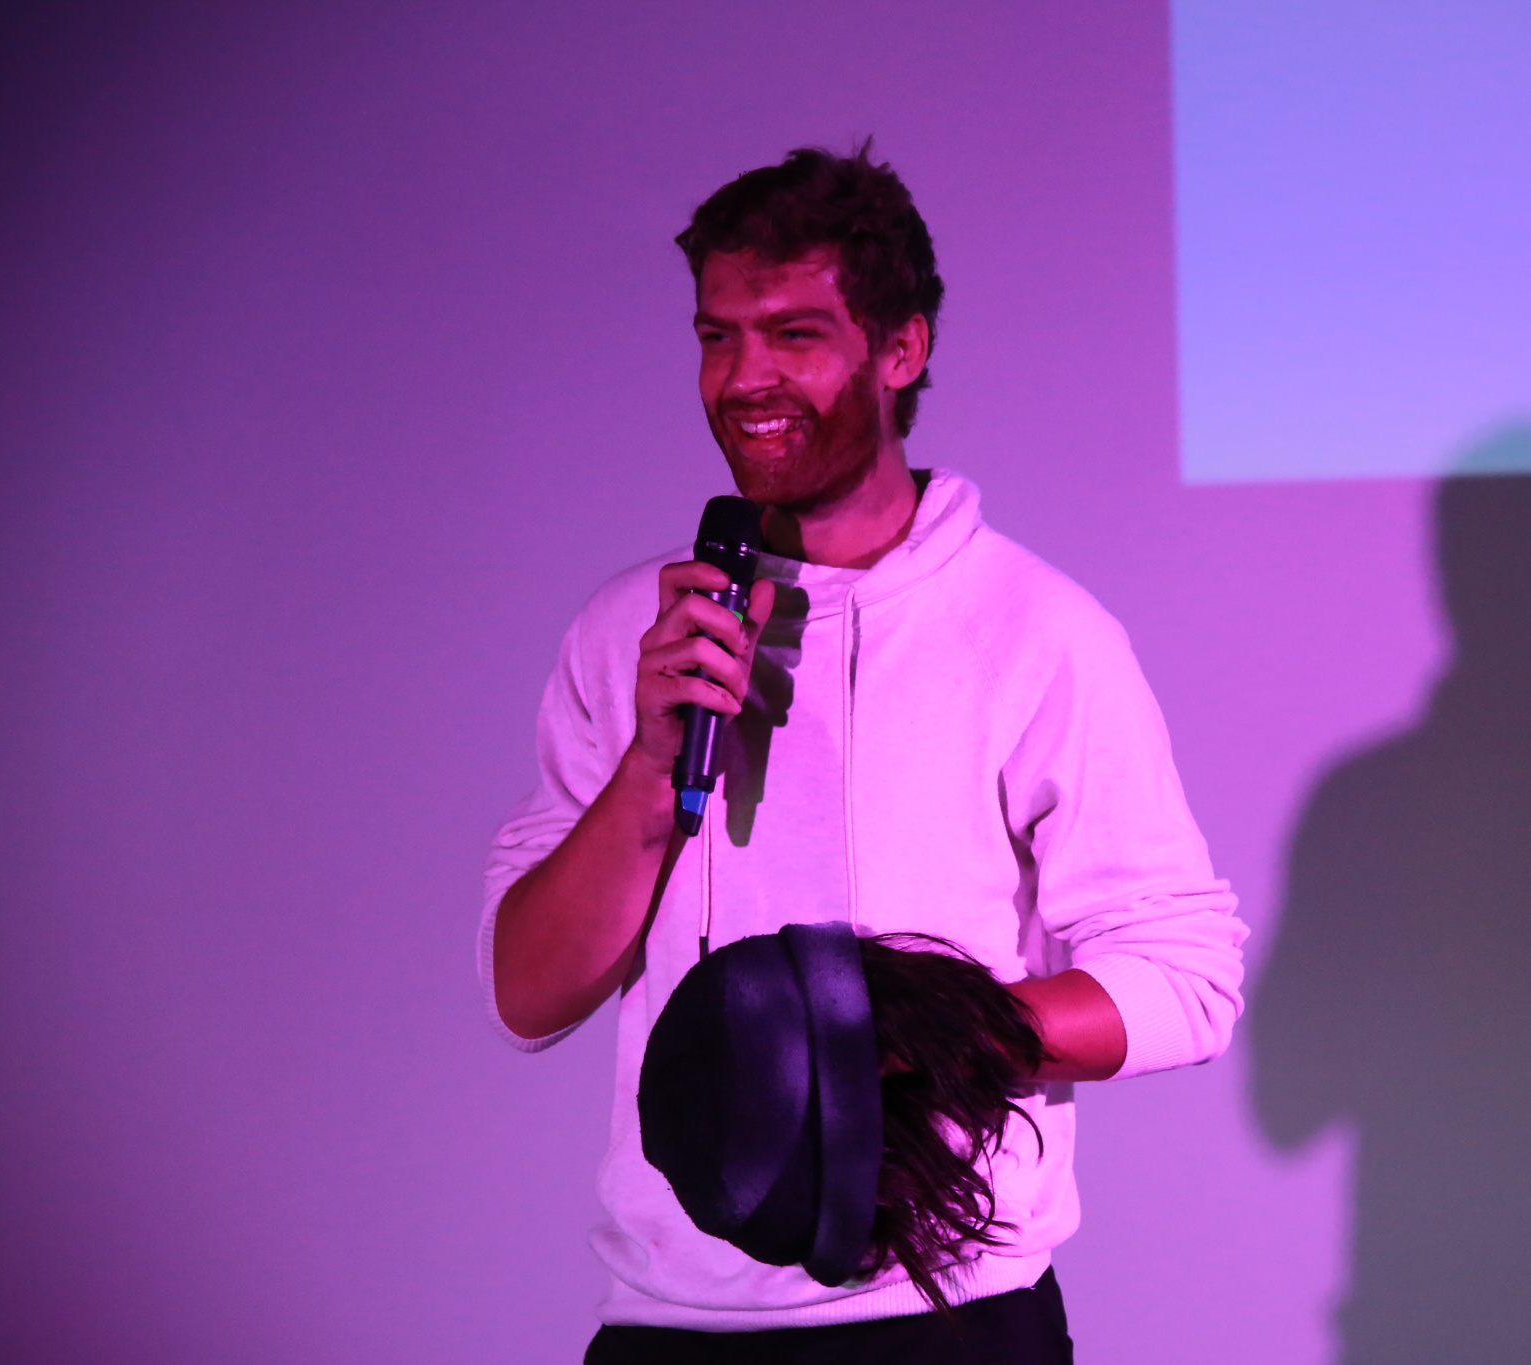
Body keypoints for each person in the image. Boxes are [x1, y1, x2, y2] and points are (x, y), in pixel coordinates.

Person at [480, 144, 1246, 1361]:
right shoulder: (636, 632)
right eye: (717, 337)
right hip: (670, 1320)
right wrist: (645, 773)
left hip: (945, 1317)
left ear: (900, 349)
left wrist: (905, 1037)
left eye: (793, 335)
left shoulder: (1035, 631)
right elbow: (526, 994)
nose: (744, 378)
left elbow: (1185, 978)